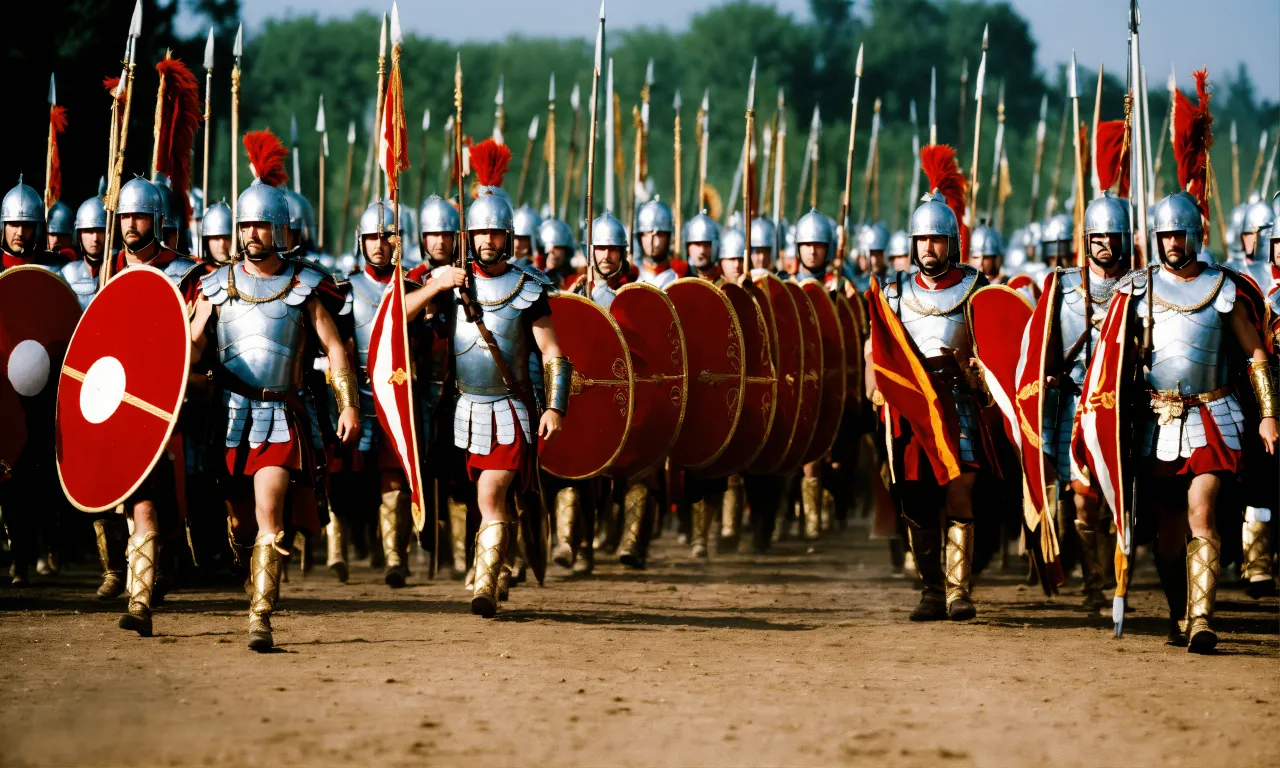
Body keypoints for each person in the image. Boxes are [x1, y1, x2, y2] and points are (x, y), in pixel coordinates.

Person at [188, 136, 359, 651]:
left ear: (280, 229)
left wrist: (348, 401)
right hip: (230, 415)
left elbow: (334, 348)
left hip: (282, 414)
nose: (251, 233)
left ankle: (260, 614)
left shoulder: (306, 286)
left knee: (270, 508)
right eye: (245, 225)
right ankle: (249, 570)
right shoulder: (216, 285)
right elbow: (192, 345)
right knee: (239, 521)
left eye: (261, 224)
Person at [1095, 191, 1277, 652]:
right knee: (1167, 540)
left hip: (1213, 416)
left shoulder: (1223, 287)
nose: (1173, 241)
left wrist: (1269, 415)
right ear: (1156, 238)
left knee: (1203, 512)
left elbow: (1255, 355)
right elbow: (1111, 363)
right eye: (1166, 234)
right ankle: (1179, 613)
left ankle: (1201, 620)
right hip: (1156, 424)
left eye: (1181, 233)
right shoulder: (1136, 291)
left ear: (1196, 234)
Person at [426, 179, 571, 617]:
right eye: (480, 233)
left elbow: (553, 353)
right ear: (469, 236)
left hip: (510, 410)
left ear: (507, 236)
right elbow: (399, 319)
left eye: (495, 232)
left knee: (491, 496)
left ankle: (484, 587)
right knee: (482, 500)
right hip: (463, 411)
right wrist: (436, 286)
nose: (488, 241)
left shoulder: (528, 287)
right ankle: (501, 564)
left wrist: (555, 405)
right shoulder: (451, 285)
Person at [869, 146, 991, 622]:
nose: (928, 249)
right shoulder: (896, 291)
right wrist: (877, 389)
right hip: (912, 406)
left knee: (959, 492)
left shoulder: (975, 287)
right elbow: (875, 350)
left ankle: (960, 591)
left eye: (937, 241)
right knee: (917, 498)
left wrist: (977, 374)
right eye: (921, 240)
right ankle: (931, 589)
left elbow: (992, 348)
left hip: (959, 400)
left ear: (951, 242)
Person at [1040, 195, 1130, 613]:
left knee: (1119, 500)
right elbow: (1044, 349)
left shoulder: (1140, 287)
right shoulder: (1062, 287)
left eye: (1113, 235)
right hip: (1076, 406)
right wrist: (1050, 376)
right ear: (1087, 239)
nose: (1106, 243)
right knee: (1082, 497)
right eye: (1098, 236)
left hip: (1122, 409)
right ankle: (1093, 582)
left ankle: (1118, 582)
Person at [635, 199, 688, 288]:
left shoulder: (678, 279)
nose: (652, 240)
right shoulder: (631, 279)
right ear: (639, 237)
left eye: (659, 234)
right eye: (647, 233)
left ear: (669, 237)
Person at [683, 210, 722, 284]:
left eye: (707, 244)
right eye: (697, 244)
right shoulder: (680, 279)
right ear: (688, 247)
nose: (702, 251)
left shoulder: (724, 284)